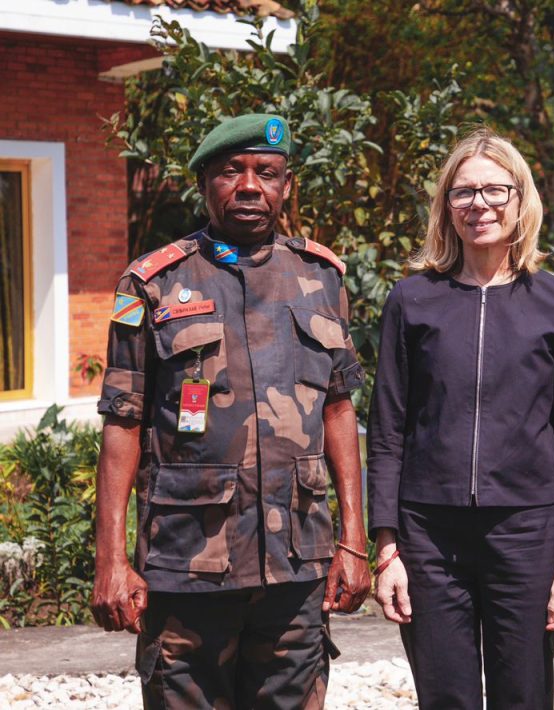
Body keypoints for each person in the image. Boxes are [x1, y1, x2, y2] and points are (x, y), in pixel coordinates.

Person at [90, 114, 371, 709]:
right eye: (230, 172)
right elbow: (122, 425)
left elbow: (339, 410)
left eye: (266, 173)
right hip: (189, 561)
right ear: (204, 185)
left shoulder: (320, 279)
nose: (249, 186)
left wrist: (353, 539)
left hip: (298, 561)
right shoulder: (152, 285)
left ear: (286, 185)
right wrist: (112, 561)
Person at [366, 128, 554, 709]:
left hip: (527, 533)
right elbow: (388, 428)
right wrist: (388, 546)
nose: (480, 205)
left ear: (520, 200)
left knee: (523, 696)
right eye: (463, 192)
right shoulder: (413, 301)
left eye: (495, 190)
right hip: (429, 534)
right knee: (445, 698)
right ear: (446, 206)